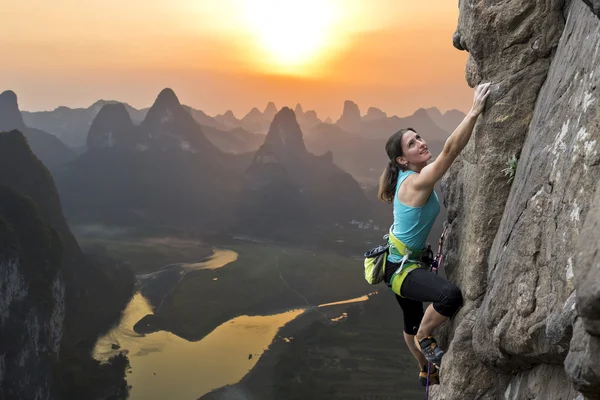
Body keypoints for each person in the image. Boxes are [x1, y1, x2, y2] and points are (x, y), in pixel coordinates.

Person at [377, 82, 492, 385]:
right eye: (412, 144)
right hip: (402, 271)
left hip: (397, 262)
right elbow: (451, 151)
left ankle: (423, 368)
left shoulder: (406, 176)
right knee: (449, 297)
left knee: (409, 321)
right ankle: (426, 339)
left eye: (419, 137)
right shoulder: (416, 182)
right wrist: (475, 111)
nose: (421, 143)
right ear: (402, 160)